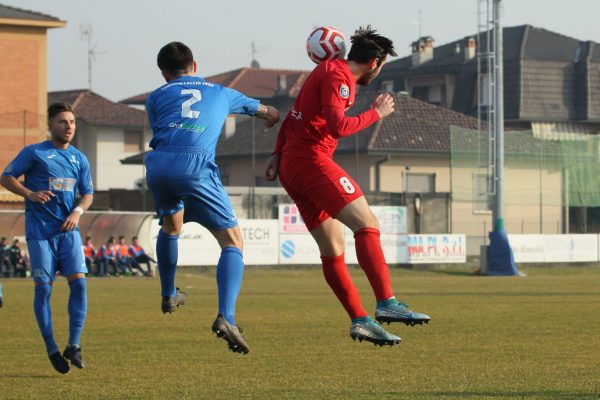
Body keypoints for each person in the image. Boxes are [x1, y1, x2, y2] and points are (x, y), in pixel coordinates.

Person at [264, 26, 431, 347]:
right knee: (367, 224)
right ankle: (387, 302)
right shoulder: (338, 76)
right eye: (381, 67)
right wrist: (376, 113)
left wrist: (277, 153)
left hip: (293, 165)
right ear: (374, 62)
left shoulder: (323, 70)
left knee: (333, 250)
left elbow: (293, 116)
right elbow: (337, 126)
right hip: (311, 161)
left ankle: (360, 320)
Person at [145, 42, 279, 354]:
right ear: (195, 64)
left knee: (171, 227)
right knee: (232, 242)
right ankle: (227, 317)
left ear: (164, 73)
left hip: (159, 164)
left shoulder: (156, 96)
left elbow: (166, 127)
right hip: (196, 164)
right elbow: (263, 110)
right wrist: (271, 116)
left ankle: (168, 294)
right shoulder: (220, 91)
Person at [0, 102, 93, 373]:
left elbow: (88, 193)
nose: (69, 127)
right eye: (63, 122)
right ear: (50, 125)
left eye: (72, 122)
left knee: (80, 286)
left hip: (68, 232)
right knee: (44, 290)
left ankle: (73, 346)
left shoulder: (79, 159)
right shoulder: (35, 152)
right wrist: (29, 193)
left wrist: (77, 211)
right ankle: (52, 347)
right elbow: (6, 177)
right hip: (40, 233)